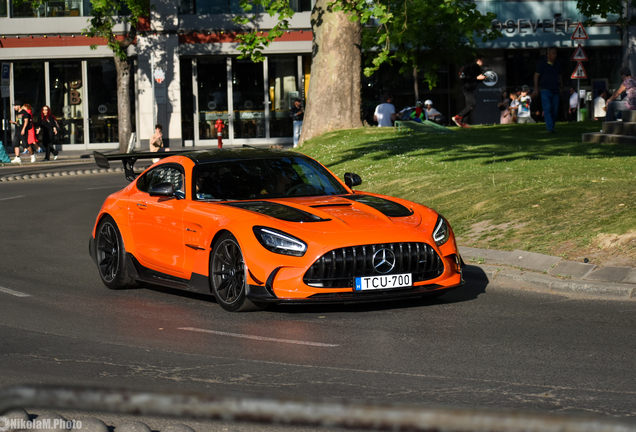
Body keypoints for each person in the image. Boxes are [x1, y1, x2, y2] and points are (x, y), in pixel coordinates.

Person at [533, 46, 562, 133]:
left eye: (555, 53)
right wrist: (536, 88)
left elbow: (560, 75)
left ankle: (552, 126)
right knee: (547, 109)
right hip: (545, 90)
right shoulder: (542, 64)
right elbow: (536, 76)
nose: (555, 55)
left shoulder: (557, 64)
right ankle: (550, 128)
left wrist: (561, 87)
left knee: (555, 110)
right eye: (553, 53)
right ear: (548, 54)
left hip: (555, 89)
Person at [452, 54, 486, 128]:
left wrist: (481, 78)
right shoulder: (473, 67)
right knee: (472, 104)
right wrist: (477, 78)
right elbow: (467, 78)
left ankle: (464, 123)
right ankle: (458, 117)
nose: (484, 62)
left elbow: (475, 79)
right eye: (483, 60)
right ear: (479, 60)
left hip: (469, 88)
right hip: (467, 88)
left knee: (469, 106)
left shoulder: (477, 68)